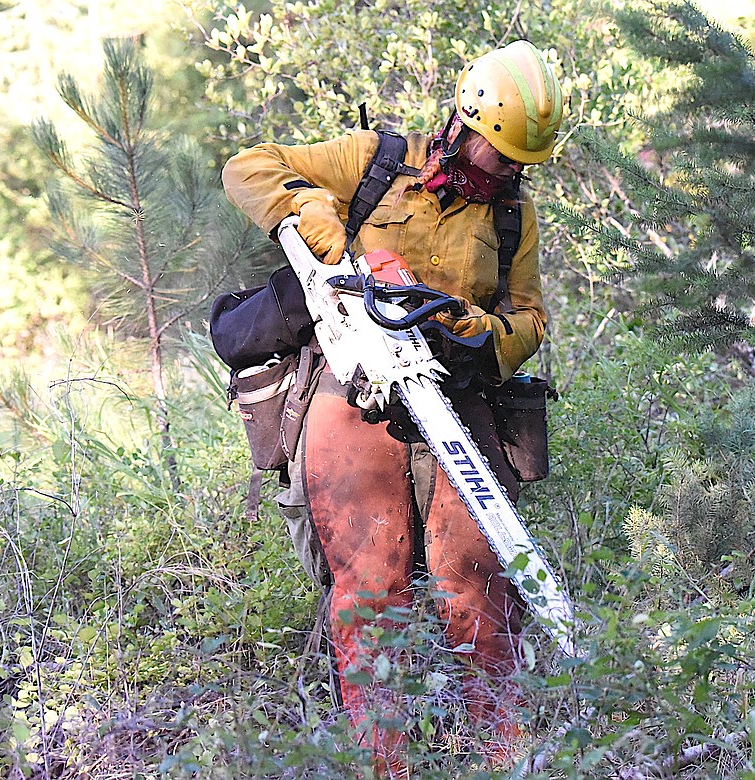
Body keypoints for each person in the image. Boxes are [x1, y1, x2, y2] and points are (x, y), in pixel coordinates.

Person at [220, 40, 564, 777]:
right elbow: (246, 167)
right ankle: (385, 765)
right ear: (465, 121)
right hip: (356, 391)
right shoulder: (375, 162)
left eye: (520, 164)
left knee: (475, 587)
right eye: (501, 156)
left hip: (454, 399)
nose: (508, 173)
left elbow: (529, 317)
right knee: (371, 590)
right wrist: (312, 215)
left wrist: (477, 330)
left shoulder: (511, 215)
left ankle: (503, 758)